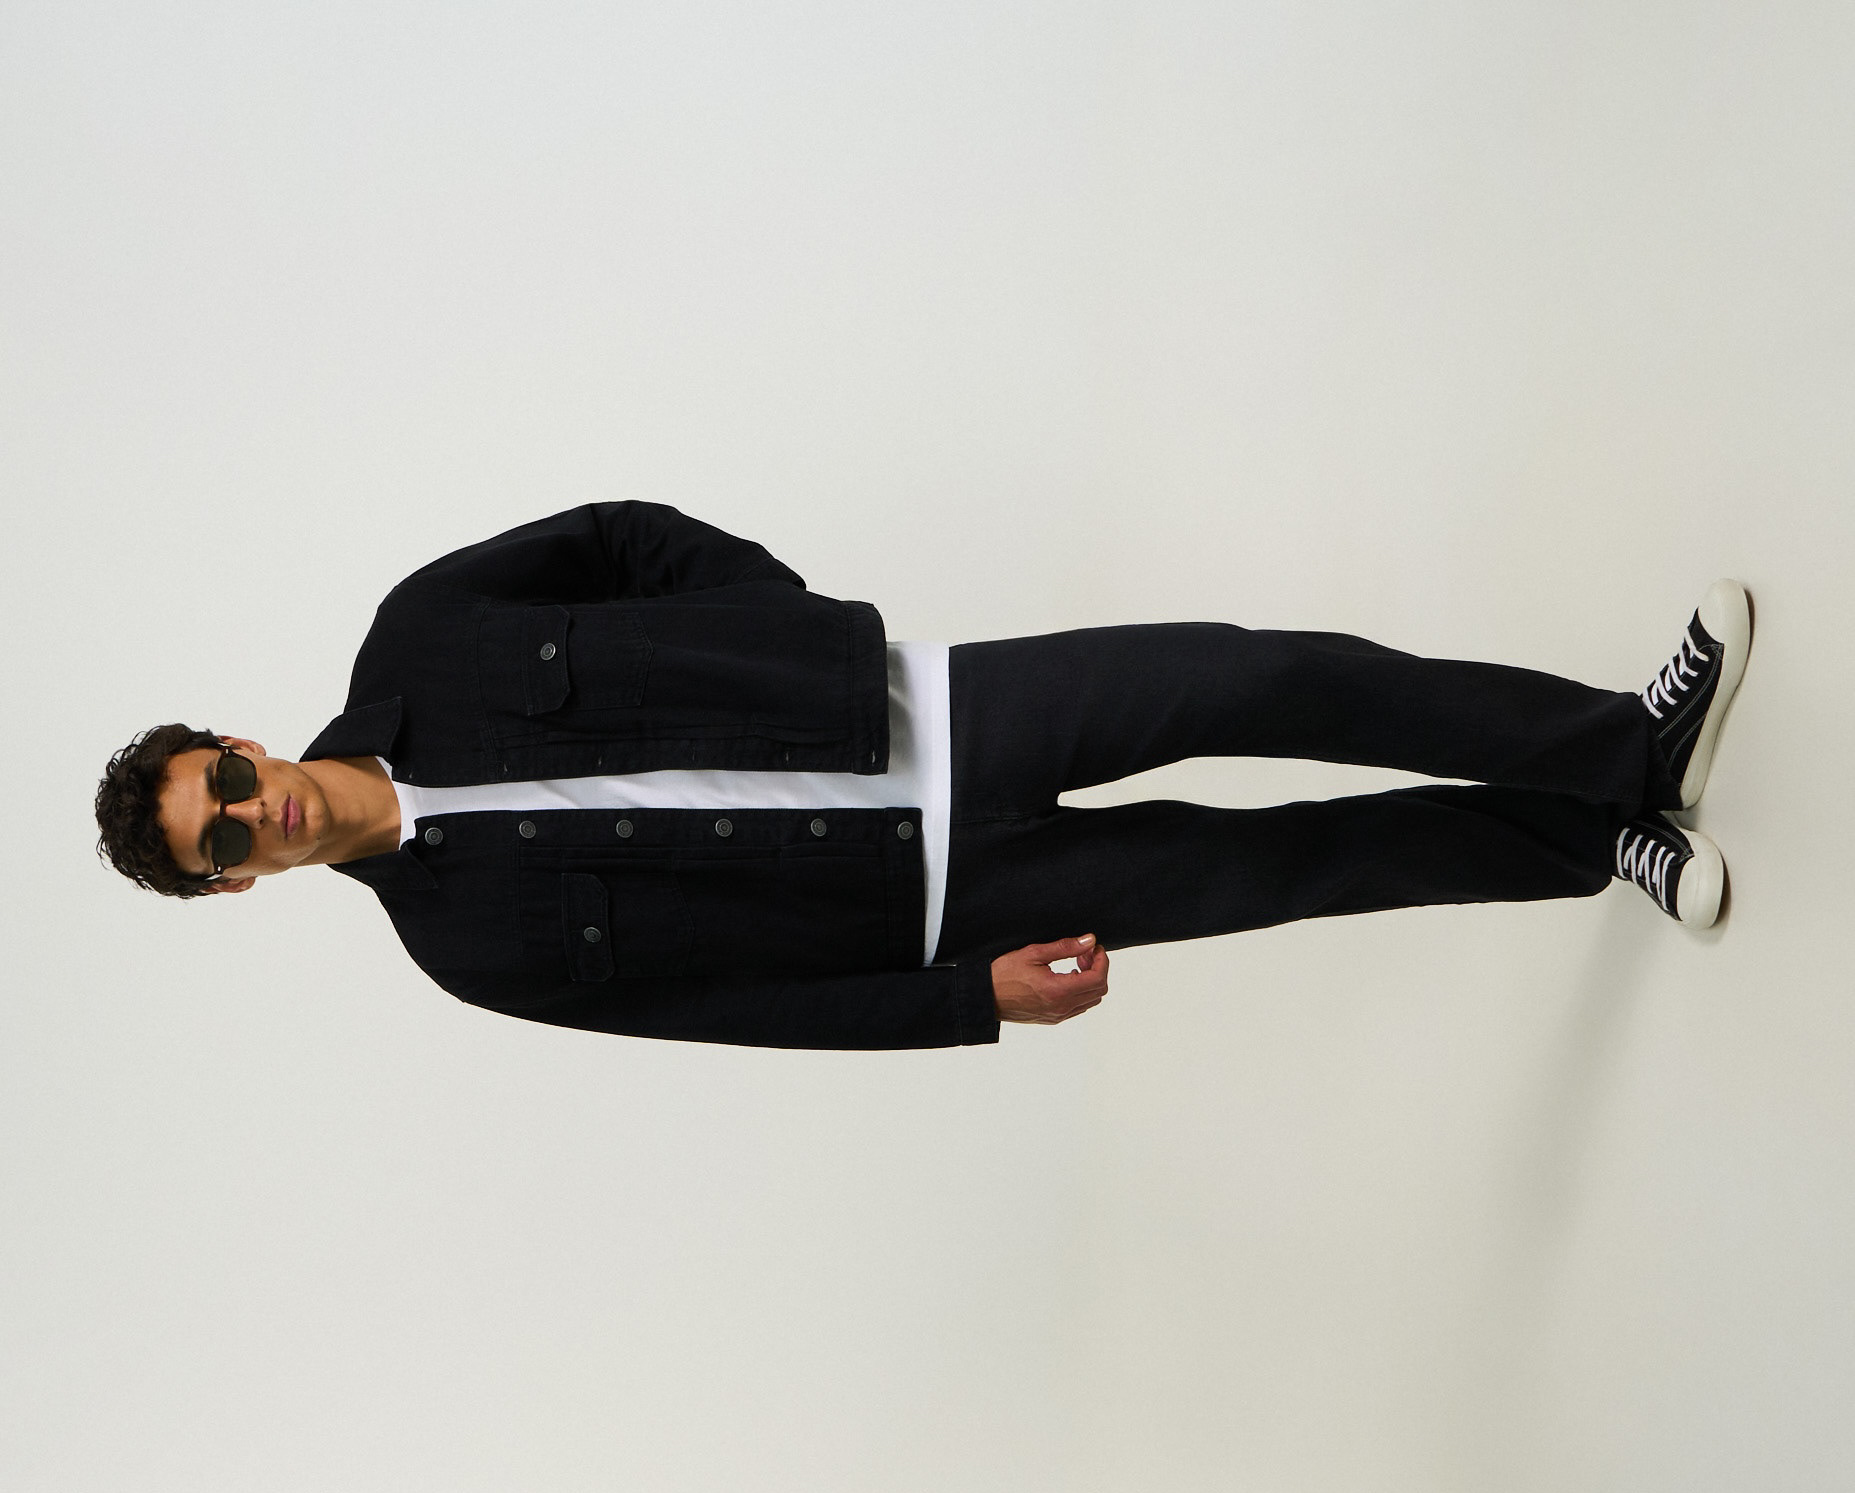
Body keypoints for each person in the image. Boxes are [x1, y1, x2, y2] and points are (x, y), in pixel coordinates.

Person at [93, 501, 1752, 1051]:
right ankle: (1597, 845)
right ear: (237, 885)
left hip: (943, 716)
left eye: (221, 777)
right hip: (949, 902)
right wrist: (969, 1001)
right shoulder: (462, 950)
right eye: (223, 840)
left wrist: (788, 642)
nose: (253, 808)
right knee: (1281, 869)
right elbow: (731, 1008)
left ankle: (1624, 741)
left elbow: (626, 539)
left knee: (1254, 676)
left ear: (235, 736)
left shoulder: (422, 634)